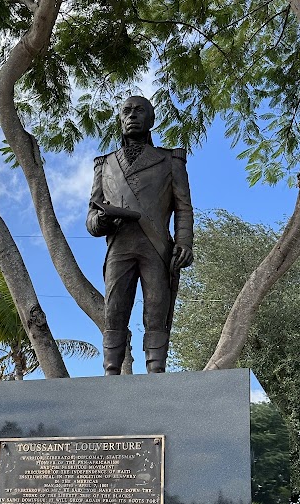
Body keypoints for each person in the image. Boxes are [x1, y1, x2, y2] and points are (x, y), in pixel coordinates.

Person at [86, 96, 194, 375]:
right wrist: (102, 220)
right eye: (126, 111)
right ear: (120, 120)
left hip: (156, 246)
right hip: (119, 246)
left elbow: (183, 207)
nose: (132, 115)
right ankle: (111, 370)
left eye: (139, 110)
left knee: (157, 309)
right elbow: (91, 218)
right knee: (115, 310)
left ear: (151, 120)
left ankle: (155, 370)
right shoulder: (104, 165)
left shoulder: (170, 161)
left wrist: (184, 242)